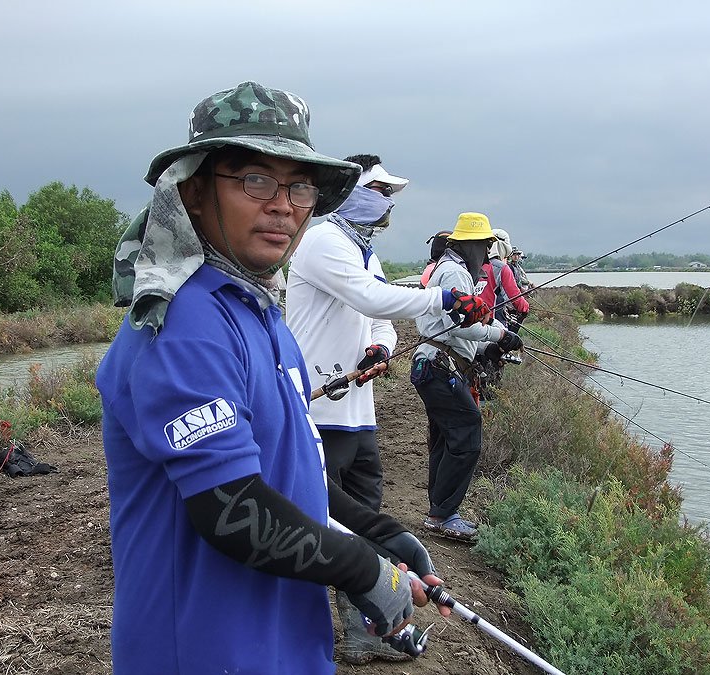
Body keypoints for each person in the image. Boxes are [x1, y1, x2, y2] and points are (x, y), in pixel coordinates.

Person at [97, 82, 451, 675]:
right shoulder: (184, 324)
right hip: (205, 654)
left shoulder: (257, 311)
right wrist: (362, 570)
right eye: (255, 180)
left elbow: (288, 472)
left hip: (282, 646)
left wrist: (378, 532)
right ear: (194, 191)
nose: (283, 204)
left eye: (299, 186)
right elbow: (232, 507)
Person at [284, 156, 487, 664]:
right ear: (350, 189)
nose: (387, 199)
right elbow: (370, 297)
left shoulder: (361, 248)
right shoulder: (322, 240)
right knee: (317, 523)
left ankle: (368, 631)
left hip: (358, 412)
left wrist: (377, 347)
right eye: (378, 188)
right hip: (319, 413)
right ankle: (308, 633)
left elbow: (381, 314)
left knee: (364, 520)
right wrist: (440, 299)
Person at [411, 213, 523, 542]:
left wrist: (485, 347)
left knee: (447, 439)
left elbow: (457, 327)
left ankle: (440, 510)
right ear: (470, 246)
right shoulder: (454, 271)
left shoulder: (451, 268)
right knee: (467, 431)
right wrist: (500, 335)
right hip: (438, 366)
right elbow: (463, 322)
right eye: (485, 247)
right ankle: (443, 515)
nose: (487, 255)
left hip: (438, 363)